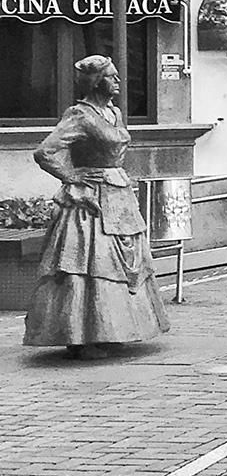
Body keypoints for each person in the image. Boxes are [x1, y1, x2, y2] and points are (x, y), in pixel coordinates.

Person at [23, 55, 170, 357]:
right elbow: (45, 152)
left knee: (120, 264)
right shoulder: (80, 115)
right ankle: (83, 337)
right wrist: (72, 177)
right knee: (89, 265)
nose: (118, 82)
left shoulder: (113, 112)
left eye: (117, 76)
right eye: (112, 76)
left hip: (119, 194)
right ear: (95, 81)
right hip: (91, 199)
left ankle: (112, 328)